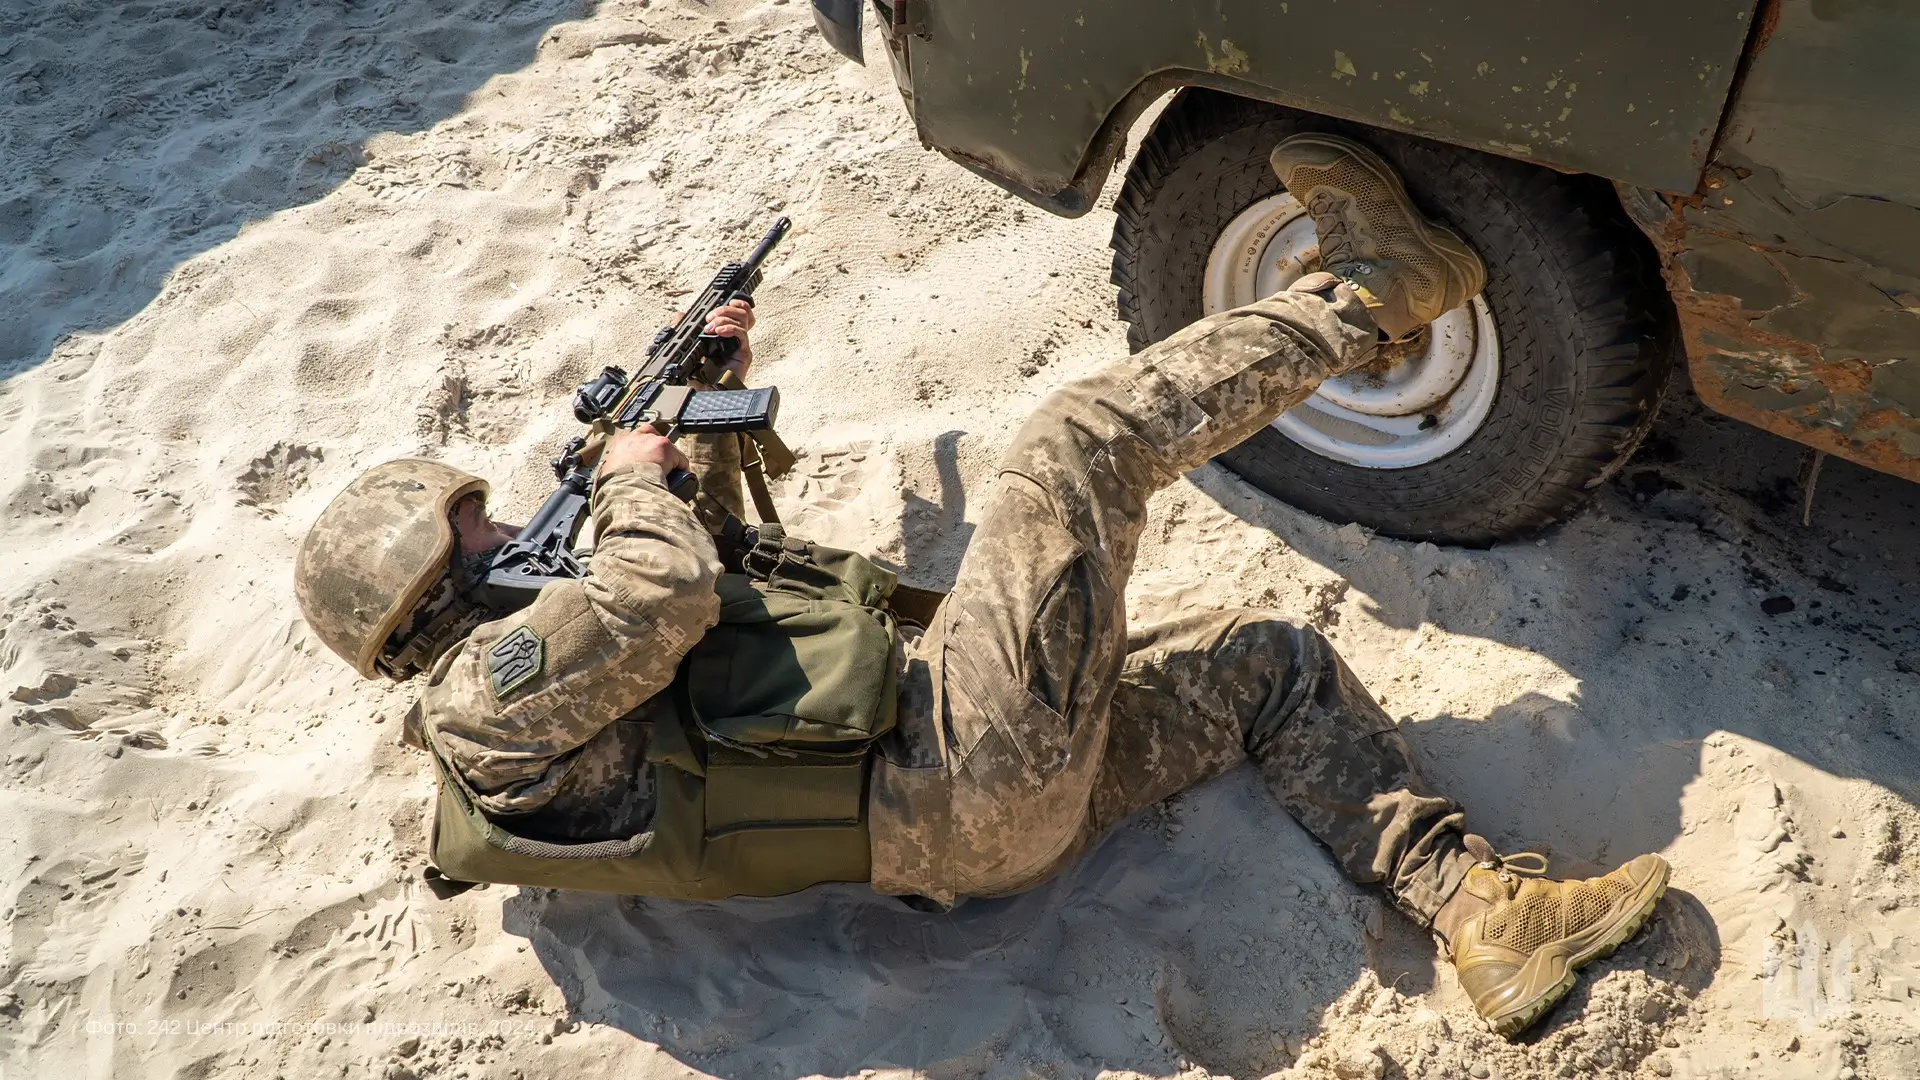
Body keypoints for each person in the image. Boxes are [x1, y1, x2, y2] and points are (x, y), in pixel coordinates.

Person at [295, 134, 1668, 1038]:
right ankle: (1372, 291)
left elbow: (688, 622)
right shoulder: (484, 701)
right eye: (470, 535)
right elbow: (654, 597)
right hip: (961, 761)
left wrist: (695, 405)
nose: (495, 533)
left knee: (1267, 664)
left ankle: (1484, 917)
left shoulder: (530, 688)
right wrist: (634, 477)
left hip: (974, 831)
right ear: (422, 601)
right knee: (1079, 447)